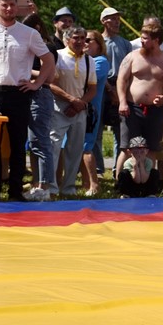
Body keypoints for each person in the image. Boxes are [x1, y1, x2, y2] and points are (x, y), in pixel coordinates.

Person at [0, 0, 55, 201]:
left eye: (12, 5)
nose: (9, 9)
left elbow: (49, 59)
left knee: (18, 143)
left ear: (16, 7)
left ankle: (15, 192)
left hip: (19, 92)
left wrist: (37, 83)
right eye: (4, 5)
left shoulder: (29, 33)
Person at [116, 19, 163, 171]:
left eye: (145, 38)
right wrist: (122, 102)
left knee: (151, 149)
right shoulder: (132, 57)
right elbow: (121, 80)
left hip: (155, 111)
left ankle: (147, 186)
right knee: (127, 148)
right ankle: (122, 184)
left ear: (156, 40)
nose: (141, 41)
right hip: (131, 108)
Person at [48, 27, 97, 197]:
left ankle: (68, 188)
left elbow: (92, 88)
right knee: (54, 147)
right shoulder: (59, 56)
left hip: (79, 110)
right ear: (67, 39)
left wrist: (80, 103)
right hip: (59, 108)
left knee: (75, 149)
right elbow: (51, 83)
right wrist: (70, 100)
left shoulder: (89, 60)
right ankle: (51, 187)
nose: (80, 41)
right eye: (76, 38)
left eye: (83, 38)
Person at [21, 14, 59, 201]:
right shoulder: (30, 47)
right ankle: (37, 184)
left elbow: (51, 76)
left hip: (40, 95)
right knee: (33, 143)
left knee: (42, 142)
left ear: (36, 27)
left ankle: (45, 186)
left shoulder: (47, 47)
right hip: (27, 95)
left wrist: (25, 72)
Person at [100, 6, 133, 177]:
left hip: (120, 87)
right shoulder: (97, 42)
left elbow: (129, 69)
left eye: (118, 18)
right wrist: (108, 87)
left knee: (120, 131)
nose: (116, 22)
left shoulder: (125, 44)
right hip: (99, 86)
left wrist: (120, 92)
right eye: (112, 18)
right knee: (96, 129)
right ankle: (98, 169)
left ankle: (117, 169)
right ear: (103, 21)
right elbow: (94, 67)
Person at [80, 30, 110, 197]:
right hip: (80, 109)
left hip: (91, 111)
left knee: (87, 146)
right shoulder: (85, 60)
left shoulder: (101, 61)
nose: (84, 43)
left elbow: (84, 79)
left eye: (89, 40)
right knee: (79, 147)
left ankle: (94, 184)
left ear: (99, 44)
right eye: (82, 39)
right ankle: (86, 184)